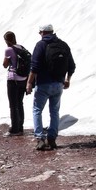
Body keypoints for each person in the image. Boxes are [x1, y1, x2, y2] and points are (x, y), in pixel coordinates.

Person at [25, 23, 76, 151]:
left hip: (43, 84)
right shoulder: (63, 45)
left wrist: (29, 83)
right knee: (54, 111)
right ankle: (52, 138)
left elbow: (34, 67)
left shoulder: (41, 45)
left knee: (37, 109)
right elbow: (71, 66)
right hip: (58, 84)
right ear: (52, 31)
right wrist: (67, 80)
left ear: (42, 32)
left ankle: (40, 138)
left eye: (40, 32)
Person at [2, 31, 29, 135]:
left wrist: (8, 60)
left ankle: (14, 129)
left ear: (6, 40)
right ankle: (20, 127)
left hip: (13, 79)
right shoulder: (21, 47)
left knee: (13, 105)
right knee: (19, 103)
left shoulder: (9, 49)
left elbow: (5, 65)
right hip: (23, 79)